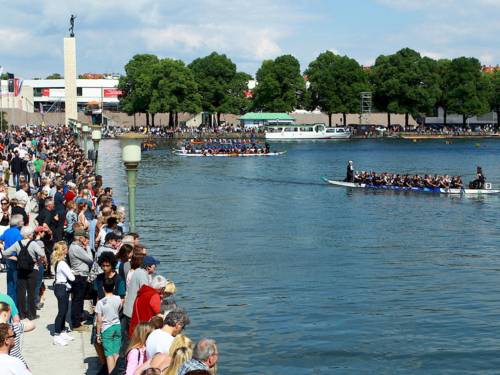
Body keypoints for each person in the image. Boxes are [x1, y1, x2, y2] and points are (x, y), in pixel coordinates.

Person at [3, 227, 46, 320]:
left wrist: (17, 259)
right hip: (32, 270)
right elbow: (42, 254)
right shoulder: (33, 244)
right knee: (31, 292)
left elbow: (5, 253)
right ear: (30, 235)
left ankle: (21, 314)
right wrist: (38, 261)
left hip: (21, 270)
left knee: (21, 293)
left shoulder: (17, 244)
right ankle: (32, 314)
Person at [122, 256, 159, 343]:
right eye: (154, 266)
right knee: (136, 338)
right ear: (148, 266)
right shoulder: (143, 275)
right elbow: (145, 293)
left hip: (128, 309)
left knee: (130, 337)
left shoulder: (138, 271)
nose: (156, 267)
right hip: (133, 312)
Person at [95, 277, 122, 374]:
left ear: (103, 288)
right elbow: (119, 309)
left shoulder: (100, 302)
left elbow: (99, 320)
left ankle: (111, 373)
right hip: (117, 326)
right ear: (114, 287)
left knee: (109, 354)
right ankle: (118, 372)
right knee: (116, 352)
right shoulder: (118, 299)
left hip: (107, 329)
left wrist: (98, 335)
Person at [68, 229, 93, 332]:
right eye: (84, 238)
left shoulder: (74, 247)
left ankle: (79, 317)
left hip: (79, 276)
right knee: (77, 300)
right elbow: (90, 260)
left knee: (78, 299)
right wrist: (87, 248)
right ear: (80, 238)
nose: (85, 240)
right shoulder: (77, 248)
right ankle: (76, 324)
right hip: (80, 276)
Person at [51, 241, 75, 346]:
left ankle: (62, 331)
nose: (67, 250)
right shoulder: (62, 263)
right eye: (66, 248)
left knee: (64, 310)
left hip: (59, 287)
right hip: (62, 287)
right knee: (62, 311)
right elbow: (72, 278)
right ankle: (57, 334)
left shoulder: (58, 262)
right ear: (63, 250)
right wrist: (72, 272)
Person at [0, 215, 23, 304]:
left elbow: (0, 240)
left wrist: (3, 249)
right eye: (22, 221)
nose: (23, 222)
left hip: (8, 258)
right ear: (18, 223)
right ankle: (16, 304)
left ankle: (9, 303)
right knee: (17, 282)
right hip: (16, 259)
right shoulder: (19, 233)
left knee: (10, 282)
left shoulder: (7, 231)